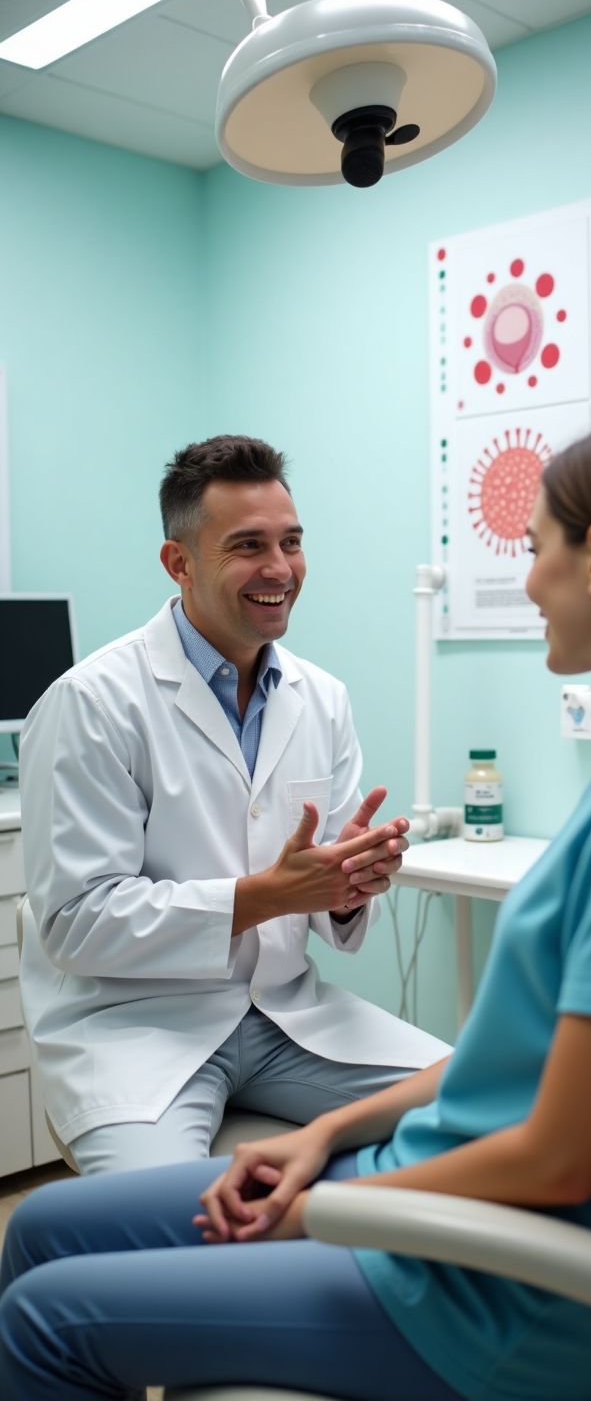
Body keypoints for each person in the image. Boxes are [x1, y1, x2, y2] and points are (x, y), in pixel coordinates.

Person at [3, 414, 591, 1401]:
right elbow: (510, 1070)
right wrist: (316, 1145)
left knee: (42, 1311)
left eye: (533, 549)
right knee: (41, 1227)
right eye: (250, 545)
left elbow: (559, 1151)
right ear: (179, 561)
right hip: (172, 1040)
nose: (525, 582)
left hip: (469, 1289)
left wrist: (319, 1209)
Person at [17, 434, 449, 1176]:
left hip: (287, 1016)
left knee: (491, 1112)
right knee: (167, 1221)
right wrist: (262, 897)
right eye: (248, 545)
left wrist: (347, 889)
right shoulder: (90, 703)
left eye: (291, 542)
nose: (279, 569)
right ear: (178, 563)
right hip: (140, 1030)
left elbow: (324, 908)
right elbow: (75, 924)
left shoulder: (323, 699)